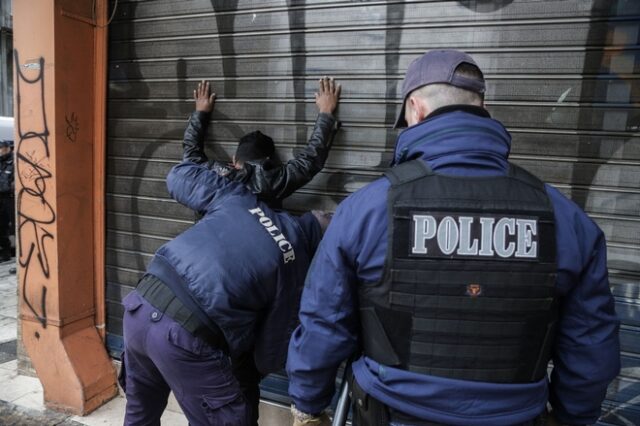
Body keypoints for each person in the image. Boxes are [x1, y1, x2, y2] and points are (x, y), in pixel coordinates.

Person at [286, 50, 620, 426]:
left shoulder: (366, 210)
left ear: (416, 110)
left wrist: (307, 406)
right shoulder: (566, 219)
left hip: (390, 413)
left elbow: (324, 324)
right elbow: (591, 345)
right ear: (482, 109)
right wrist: (572, 416)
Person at [119, 157, 332, 425]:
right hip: (184, 335)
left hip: (140, 305)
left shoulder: (242, 200)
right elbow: (268, 356)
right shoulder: (295, 265)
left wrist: (237, 178)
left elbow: (178, 176)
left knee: (140, 415)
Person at [184, 77, 341, 203]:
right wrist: (326, 112)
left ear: (234, 159)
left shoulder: (214, 177)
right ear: (269, 161)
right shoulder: (271, 182)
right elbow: (310, 161)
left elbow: (190, 157)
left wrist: (200, 113)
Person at [0, 139, 14, 263]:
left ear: (7, 148)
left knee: (4, 225)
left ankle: (6, 253)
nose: (0, 151)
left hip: (7, 198)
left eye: (2, 148)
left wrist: (9, 187)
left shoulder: (13, 162)